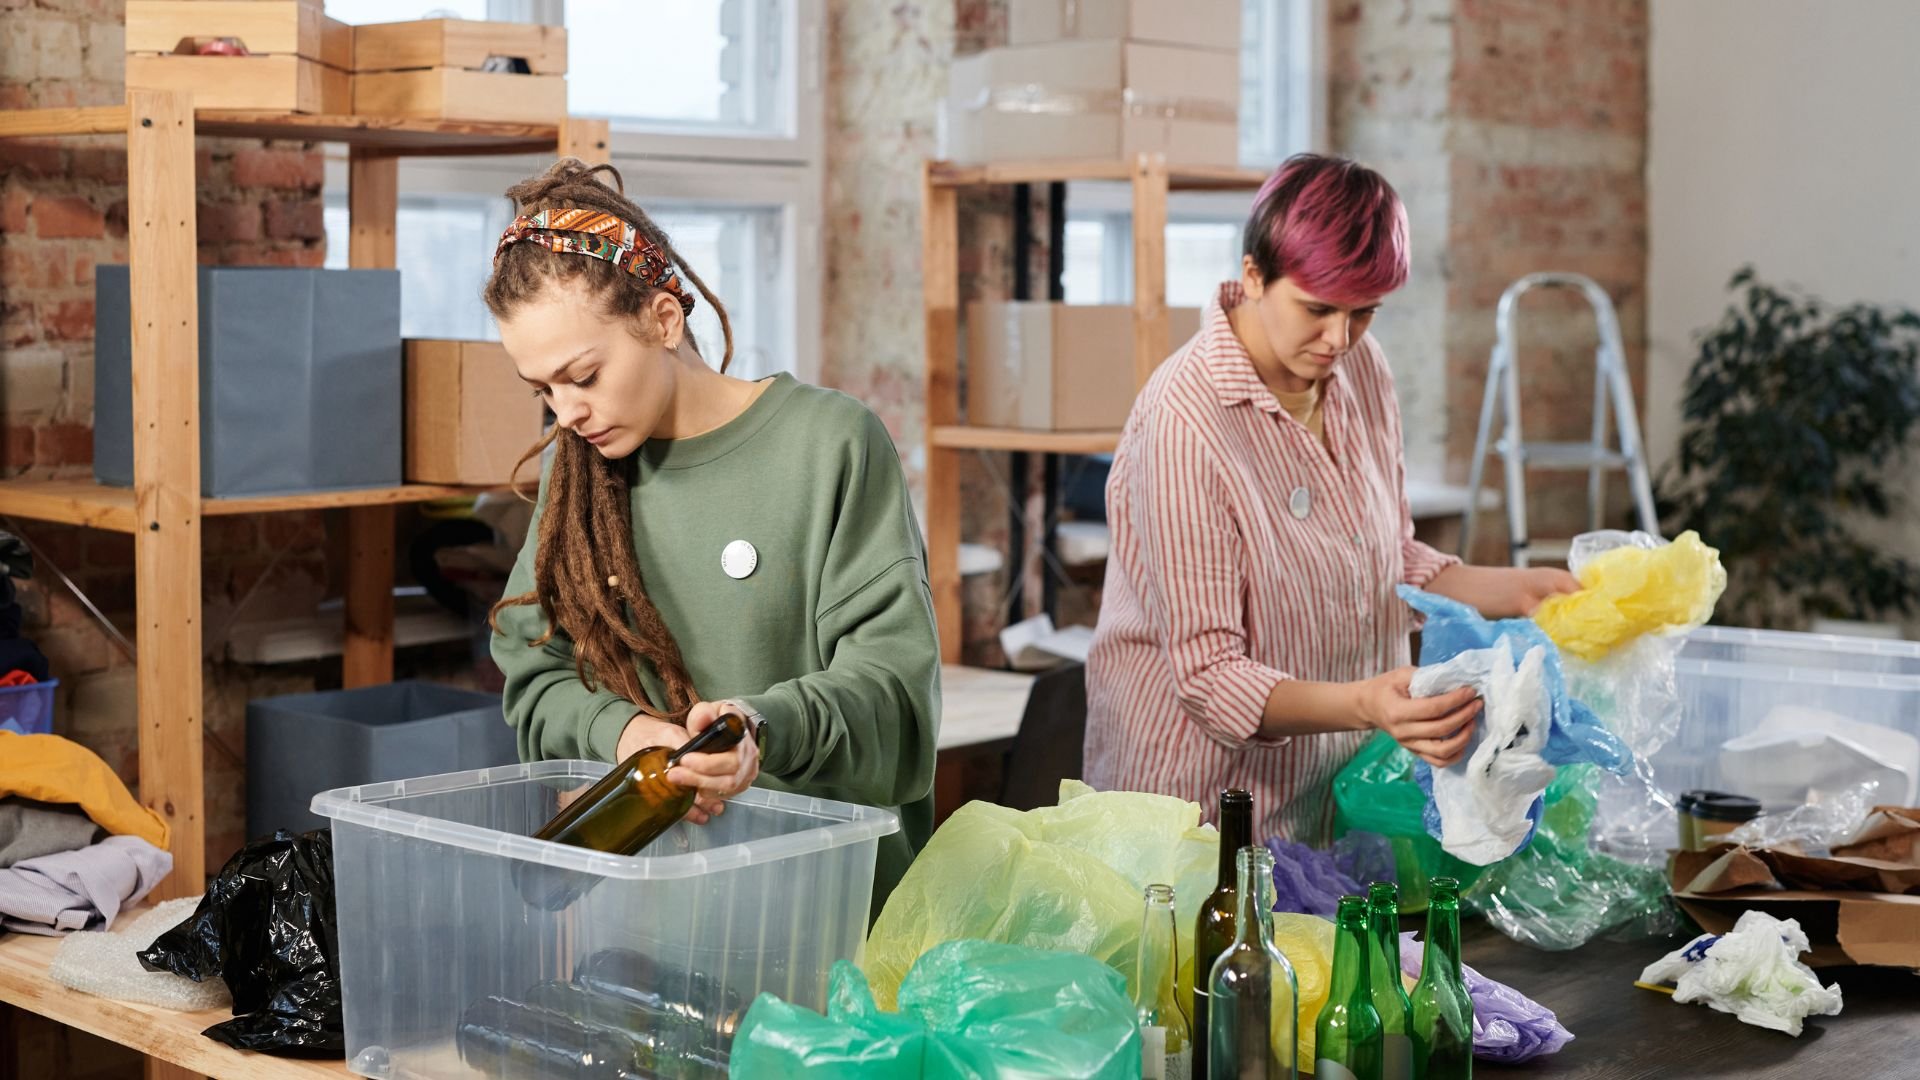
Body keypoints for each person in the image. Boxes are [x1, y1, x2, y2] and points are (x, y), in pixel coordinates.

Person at [486, 159, 940, 912]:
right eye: (545, 391)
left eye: (585, 376)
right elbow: (534, 676)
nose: (566, 413)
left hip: (831, 926)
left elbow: (893, 692)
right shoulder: (583, 477)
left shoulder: (830, 445)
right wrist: (626, 734)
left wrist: (758, 729)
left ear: (664, 320)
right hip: (657, 930)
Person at [1084, 153, 1579, 843]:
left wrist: (1523, 591)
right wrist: (1367, 703)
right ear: (1253, 276)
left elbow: (1385, 555)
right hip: (1198, 811)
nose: (1338, 339)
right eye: (1316, 310)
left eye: (1364, 313)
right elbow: (1210, 679)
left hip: (1330, 790)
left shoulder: (1360, 370)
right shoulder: (1185, 422)